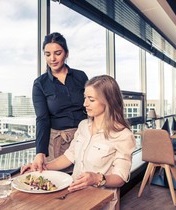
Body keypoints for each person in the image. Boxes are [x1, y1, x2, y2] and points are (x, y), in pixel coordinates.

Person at [21, 75, 136, 210]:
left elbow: (120, 178)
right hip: (74, 197)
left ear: (108, 101)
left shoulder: (124, 136)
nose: (85, 104)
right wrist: (42, 167)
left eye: (91, 99)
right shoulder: (83, 126)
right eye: (85, 98)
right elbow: (68, 157)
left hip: (101, 202)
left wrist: (96, 178)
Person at [30, 32, 88, 172]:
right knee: (59, 185)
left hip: (84, 137)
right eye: (48, 54)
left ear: (66, 54)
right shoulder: (40, 84)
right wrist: (40, 152)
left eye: (58, 53)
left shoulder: (80, 76)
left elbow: (92, 105)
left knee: (85, 182)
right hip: (57, 142)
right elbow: (42, 119)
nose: (52, 59)